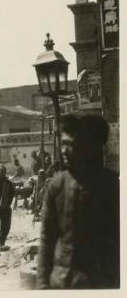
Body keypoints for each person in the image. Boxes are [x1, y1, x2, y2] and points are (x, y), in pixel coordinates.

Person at [37, 114, 119, 289]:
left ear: (88, 146)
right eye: (63, 143)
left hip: (98, 283)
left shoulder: (112, 186)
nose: (65, 150)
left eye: (71, 144)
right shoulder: (56, 185)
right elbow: (46, 240)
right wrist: (43, 286)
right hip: (60, 283)